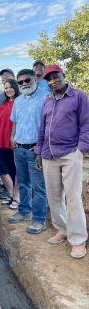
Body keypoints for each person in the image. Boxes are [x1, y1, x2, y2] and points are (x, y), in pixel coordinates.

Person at [35, 64, 89, 259]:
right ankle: (63, 230)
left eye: (55, 76)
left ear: (63, 75)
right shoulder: (48, 100)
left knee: (73, 198)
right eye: (49, 79)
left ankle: (78, 239)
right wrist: (40, 151)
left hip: (70, 154)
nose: (52, 81)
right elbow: (43, 128)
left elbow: (86, 124)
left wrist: (80, 150)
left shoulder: (78, 96)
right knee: (54, 197)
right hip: (49, 155)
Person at [8, 69, 48, 234]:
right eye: (21, 82)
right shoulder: (18, 101)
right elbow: (15, 122)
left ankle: (39, 220)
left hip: (34, 150)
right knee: (23, 183)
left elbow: (49, 125)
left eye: (27, 80)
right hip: (19, 148)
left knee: (38, 187)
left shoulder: (46, 97)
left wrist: (41, 147)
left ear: (35, 79)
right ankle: (24, 211)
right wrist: (12, 138)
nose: (24, 84)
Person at [0, 79, 20, 209]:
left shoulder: (20, 103)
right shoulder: (4, 104)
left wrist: (14, 137)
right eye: (6, 88)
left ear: (15, 87)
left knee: (14, 170)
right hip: (0, 140)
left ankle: (16, 197)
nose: (8, 90)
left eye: (10, 87)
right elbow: (0, 123)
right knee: (2, 169)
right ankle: (11, 194)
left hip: (14, 141)